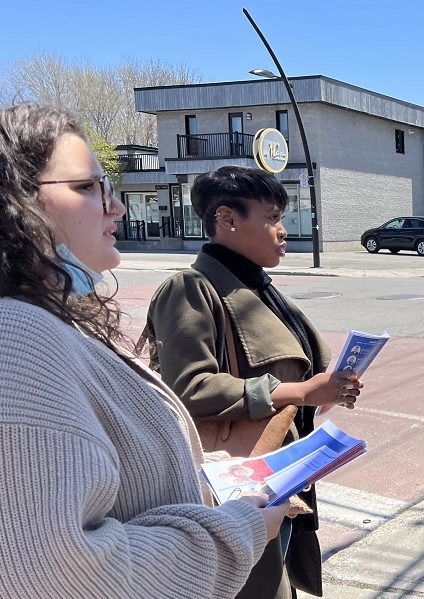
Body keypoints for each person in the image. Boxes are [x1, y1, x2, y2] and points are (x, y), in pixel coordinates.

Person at [0, 102, 286, 598]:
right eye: (87, 187)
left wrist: (202, 477)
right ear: (15, 203)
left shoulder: (44, 319)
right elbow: (61, 574)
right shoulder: (19, 335)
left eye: (108, 187)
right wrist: (240, 530)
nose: (117, 207)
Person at [145, 165, 360, 599]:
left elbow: (286, 375)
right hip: (237, 482)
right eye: (271, 217)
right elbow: (187, 389)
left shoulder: (259, 287)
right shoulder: (190, 288)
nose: (283, 231)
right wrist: (298, 392)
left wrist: (323, 394)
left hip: (279, 472)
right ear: (227, 219)